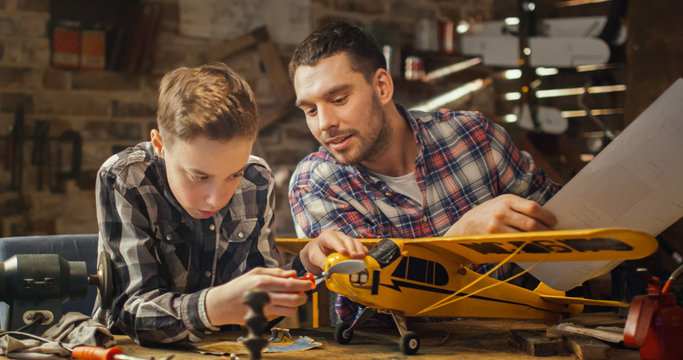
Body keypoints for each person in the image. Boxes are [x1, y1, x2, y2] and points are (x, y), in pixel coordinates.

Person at [287, 22, 562, 325]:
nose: (324, 123)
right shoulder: (316, 183)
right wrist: (459, 241)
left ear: (382, 87)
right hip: (392, 347)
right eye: (311, 110)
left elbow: (560, 223)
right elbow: (379, 288)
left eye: (338, 100)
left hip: (513, 335)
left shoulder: (475, 137)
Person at [92, 63, 367, 345]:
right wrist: (211, 308)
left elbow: (260, 312)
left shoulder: (256, 179)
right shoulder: (126, 177)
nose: (216, 198)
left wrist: (308, 261)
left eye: (233, 174)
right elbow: (129, 314)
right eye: (199, 176)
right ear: (160, 145)